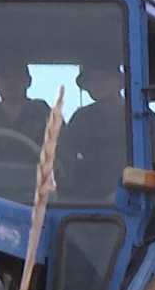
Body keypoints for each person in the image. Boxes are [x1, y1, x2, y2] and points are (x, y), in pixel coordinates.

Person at [56, 59, 131, 202]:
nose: (98, 84)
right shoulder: (81, 118)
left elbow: (151, 167)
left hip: (130, 202)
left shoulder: (140, 117)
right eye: (92, 79)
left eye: (104, 78)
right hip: (82, 202)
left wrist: (122, 193)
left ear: (119, 81)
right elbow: (63, 157)